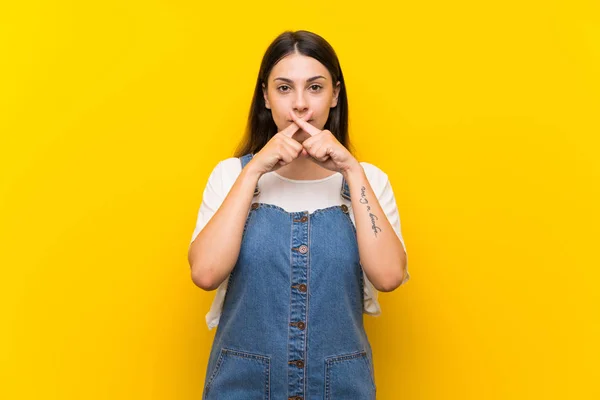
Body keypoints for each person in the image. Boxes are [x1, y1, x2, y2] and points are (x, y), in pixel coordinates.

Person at [188, 30, 410, 400]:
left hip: (340, 390)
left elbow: (389, 276)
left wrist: (351, 171)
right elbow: (205, 273)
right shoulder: (230, 176)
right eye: (285, 88)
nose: (301, 105)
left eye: (315, 87)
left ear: (335, 95)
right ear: (266, 97)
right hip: (241, 389)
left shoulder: (368, 181)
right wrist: (255, 170)